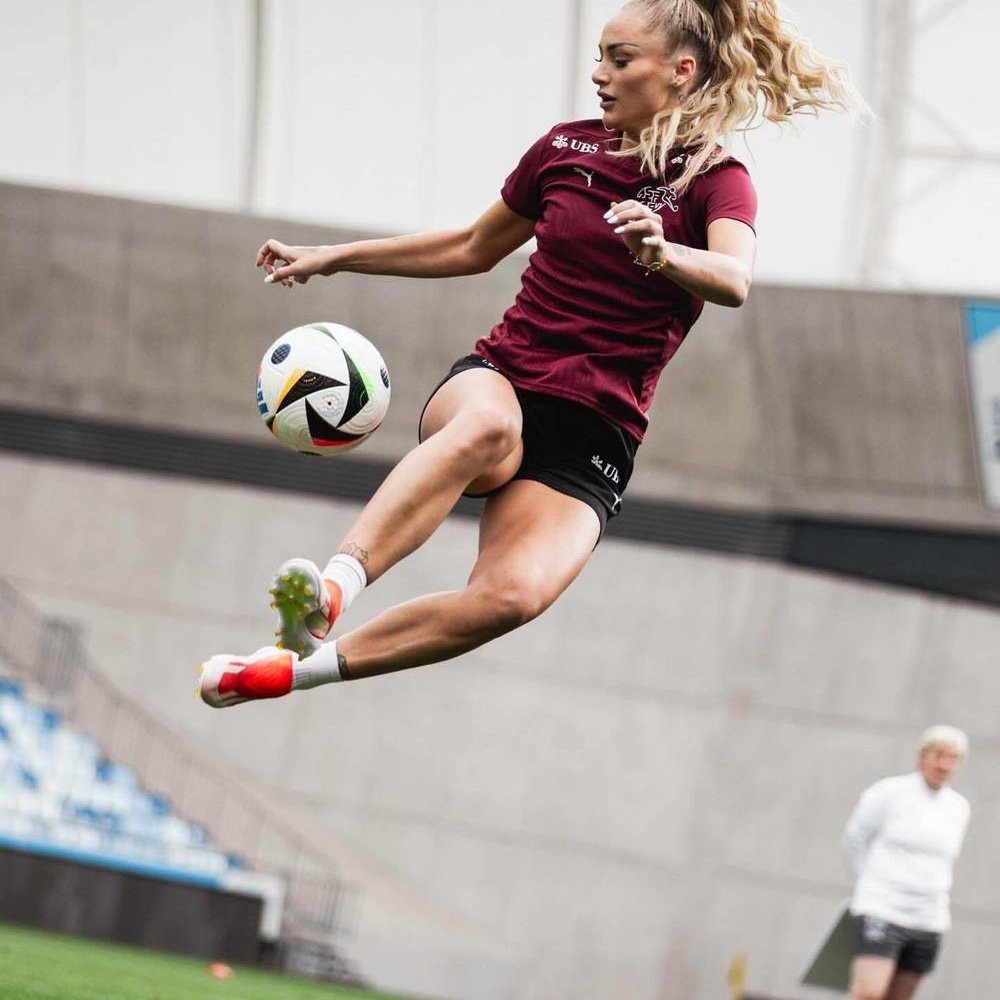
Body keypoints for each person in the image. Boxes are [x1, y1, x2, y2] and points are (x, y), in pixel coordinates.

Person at [199, 0, 861, 707]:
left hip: (597, 431)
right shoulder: (563, 149)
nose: (599, 74)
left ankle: (288, 672)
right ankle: (330, 594)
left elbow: (733, 279)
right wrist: (335, 257)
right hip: (502, 381)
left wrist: (663, 252)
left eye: (620, 59)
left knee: (512, 597)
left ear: (681, 70)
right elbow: (471, 246)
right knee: (489, 429)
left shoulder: (717, 180)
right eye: (600, 57)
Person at [843, 726, 972, 1000]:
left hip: (928, 916)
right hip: (882, 908)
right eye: (938, 755)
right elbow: (855, 839)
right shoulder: (889, 793)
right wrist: (871, 885)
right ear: (922, 757)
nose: (944, 765)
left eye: (952, 758)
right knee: (869, 993)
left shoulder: (958, 807)